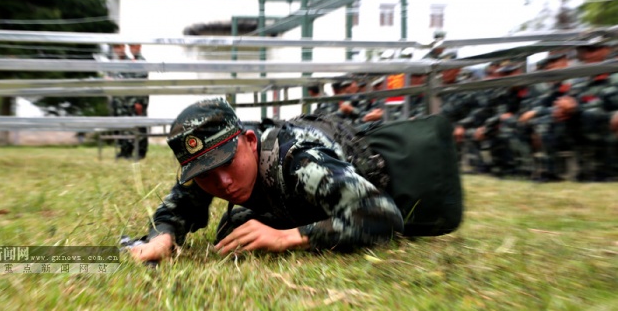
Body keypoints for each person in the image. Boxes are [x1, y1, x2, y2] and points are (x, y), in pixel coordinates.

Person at [127, 98, 461, 263]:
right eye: (205, 175)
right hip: (298, 198)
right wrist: (162, 236)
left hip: (355, 184)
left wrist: (287, 237)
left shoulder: (301, 162)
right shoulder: (208, 169)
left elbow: (383, 216)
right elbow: (177, 207)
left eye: (227, 164)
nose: (223, 182)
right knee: (234, 228)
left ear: (249, 140)